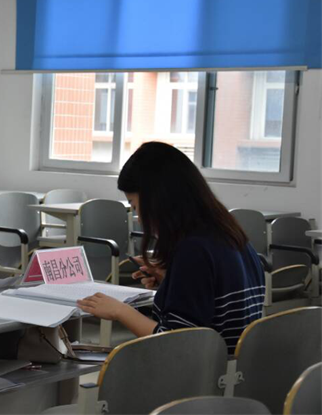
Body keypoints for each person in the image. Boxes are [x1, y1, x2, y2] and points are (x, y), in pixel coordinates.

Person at [77, 142, 265, 353]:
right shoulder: (231, 234)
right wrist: (172, 282)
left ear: (157, 200)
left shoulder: (193, 249)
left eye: (135, 206)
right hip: (234, 366)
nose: (139, 218)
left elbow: (175, 342)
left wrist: (120, 311)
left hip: (203, 370)